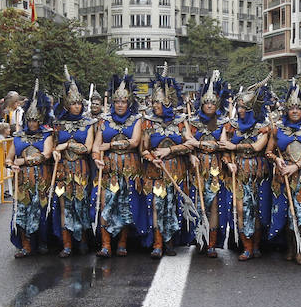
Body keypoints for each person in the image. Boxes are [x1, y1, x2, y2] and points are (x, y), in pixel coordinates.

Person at [91, 71, 146, 257]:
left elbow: (135, 142)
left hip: (130, 169)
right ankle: (106, 244)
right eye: (117, 102)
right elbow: (96, 145)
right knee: (106, 204)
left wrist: (111, 145)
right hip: (108, 169)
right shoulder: (104, 121)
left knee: (125, 205)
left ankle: (122, 243)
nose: (120, 105)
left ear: (129, 103)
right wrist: (97, 157)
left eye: (123, 102)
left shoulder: (137, 120)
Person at [267, 81, 301, 265]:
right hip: (283, 178)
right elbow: (269, 152)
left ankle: (300, 249)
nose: (295, 111)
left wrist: (296, 167)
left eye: (298, 108)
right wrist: (277, 160)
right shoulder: (278, 129)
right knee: (288, 215)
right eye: (291, 108)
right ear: (287, 111)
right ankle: (290, 247)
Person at [142, 68, 190, 258]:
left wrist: (170, 150)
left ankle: (170, 242)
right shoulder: (148, 122)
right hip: (155, 173)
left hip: (175, 171)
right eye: (153, 102)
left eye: (159, 103)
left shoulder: (180, 122)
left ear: (168, 103)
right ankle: (157, 243)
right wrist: (151, 158)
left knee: (172, 206)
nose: (155, 106)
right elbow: (143, 149)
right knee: (156, 206)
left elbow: (189, 145)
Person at [224, 74, 272, 261]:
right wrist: (228, 162)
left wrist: (235, 147)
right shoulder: (232, 125)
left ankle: (256, 246)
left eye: (243, 107)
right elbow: (224, 148)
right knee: (242, 210)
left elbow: (258, 147)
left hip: (259, 172)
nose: (240, 110)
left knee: (257, 209)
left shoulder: (264, 126)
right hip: (239, 172)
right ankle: (246, 246)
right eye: (239, 106)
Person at [185, 71, 232, 258]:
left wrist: (198, 144)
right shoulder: (192, 121)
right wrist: (191, 153)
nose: (210, 106)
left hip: (215, 168)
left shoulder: (223, 123)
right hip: (196, 167)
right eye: (207, 103)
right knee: (198, 203)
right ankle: (200, 239)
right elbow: (186, 142)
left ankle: (212, 242)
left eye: (213, 103)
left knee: (213, 205)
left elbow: (221, 144)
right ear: (201, 104)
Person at [51, 68, 96, 257]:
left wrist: (67, 144)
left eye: (79, 103)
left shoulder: (88, 123)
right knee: (64, 205)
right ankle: (67, 243)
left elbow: (87, 148)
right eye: (73, 104)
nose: (77, 106)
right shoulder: (58, 125)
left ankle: (83, 240)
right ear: (67, 105)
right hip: (62, 170)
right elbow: (53, 146)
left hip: (81, 168)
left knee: (81, 203)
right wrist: (55, 151)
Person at [6, 87, 55, 257]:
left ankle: (41, 242)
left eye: (35, 120)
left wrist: (25, 161)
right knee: (22, 212)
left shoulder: (47, 135)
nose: (32, 123)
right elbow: (9, 157)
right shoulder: (18, 136)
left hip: (41, 180)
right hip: (22, 181)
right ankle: (25, 245)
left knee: (40, 210)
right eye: (30, 120)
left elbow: (46, 154)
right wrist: (10, 164)